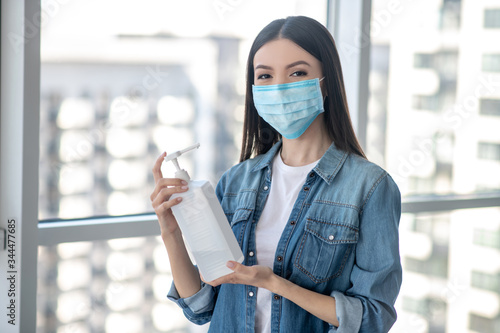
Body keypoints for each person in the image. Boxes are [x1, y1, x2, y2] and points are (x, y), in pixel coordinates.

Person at [150, 16, 402, 333]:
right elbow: (201, 307)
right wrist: (171, 231)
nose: (279, 88)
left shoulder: (370, 187)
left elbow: (373, 318)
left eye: (297, 73)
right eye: (265, 76)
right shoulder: (235, 182)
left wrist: (274, 283)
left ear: (326, 82)